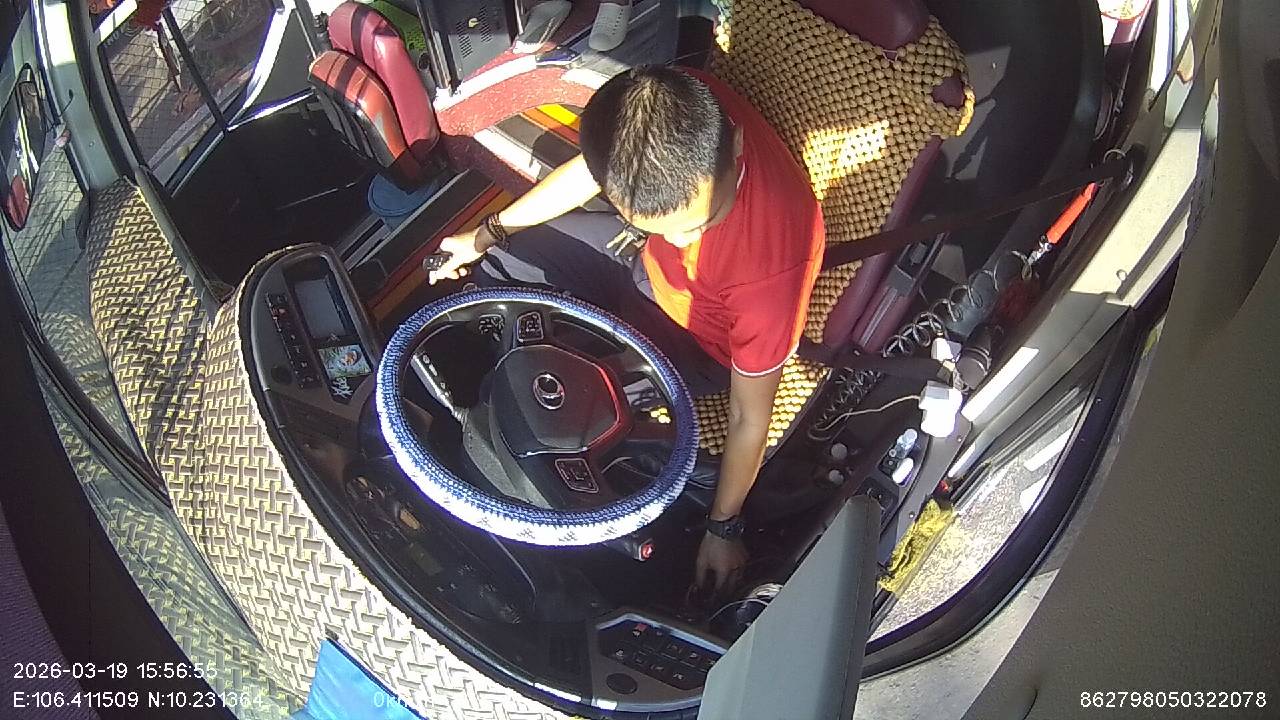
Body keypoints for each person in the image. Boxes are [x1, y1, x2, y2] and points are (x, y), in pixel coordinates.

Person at [428, 65, 824, 594]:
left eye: (698, 225)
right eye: (661, 225)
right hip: (638, 263)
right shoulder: (665, 106)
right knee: (504, 265)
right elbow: (590, 172)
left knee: (570, 413)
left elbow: (749, 416)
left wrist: (723, 527)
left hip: (694, 340)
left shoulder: (768, 273)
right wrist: (484, 235)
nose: (684, 243)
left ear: (734, 144)